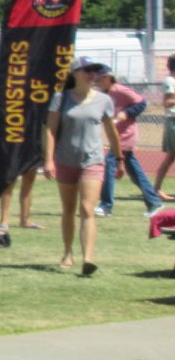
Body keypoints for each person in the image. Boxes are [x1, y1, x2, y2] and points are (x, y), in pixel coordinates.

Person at [43, 62, 120, 277]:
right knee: (68, 209)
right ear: (75, 73)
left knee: (87, 209)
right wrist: (48, 160)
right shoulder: (61, 98)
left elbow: (111, 131)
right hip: (65, 160)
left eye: (95, 71)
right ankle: (68, 253)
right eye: (88, 70)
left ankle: (88, 258)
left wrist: (120, 157)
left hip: (93, 160)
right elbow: (50, 129)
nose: (92, 75)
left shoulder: (104, 100)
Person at [88, 62, 170, 216]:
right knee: (134, 171)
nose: (96, 83)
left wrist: (126, 113)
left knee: (109, 164)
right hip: (118, 136)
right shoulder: (106, 94)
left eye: (99, 80)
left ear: (107, 78)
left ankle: (106, 206)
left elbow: (142, 102)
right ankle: (154, 202)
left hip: (125, 136)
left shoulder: (119, 89)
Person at [156, 54, 175, 195]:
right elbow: (167, 103)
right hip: (173, 120)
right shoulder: (170, 80)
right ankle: (156, 189)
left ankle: (156, 188)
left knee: (170, 157)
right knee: (170, 157)